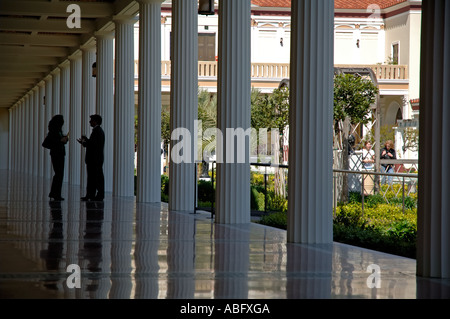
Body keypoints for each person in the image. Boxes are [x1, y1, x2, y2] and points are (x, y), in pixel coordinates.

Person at [77, 114, 105, 201]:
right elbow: (93, 144)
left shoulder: (97, 131)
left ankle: (96, 195)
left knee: (95, 177)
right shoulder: (98, 131)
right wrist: (85, 141)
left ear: (95, 121)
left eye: (91, 120)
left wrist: (85, 141)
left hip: (94, 159)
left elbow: (94, 145)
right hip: (96, 159)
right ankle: (91, 194)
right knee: (93, 177)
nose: (90, 122)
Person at [45, 115, 69, 201]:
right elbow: (46, 144)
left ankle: (54, 193)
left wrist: (64, 140)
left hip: (60, 154)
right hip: (56, 154)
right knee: (59, 174)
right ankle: (56, 194)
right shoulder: (53, 132)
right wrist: (60, 141)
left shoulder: (58, 131)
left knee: (59, 174)